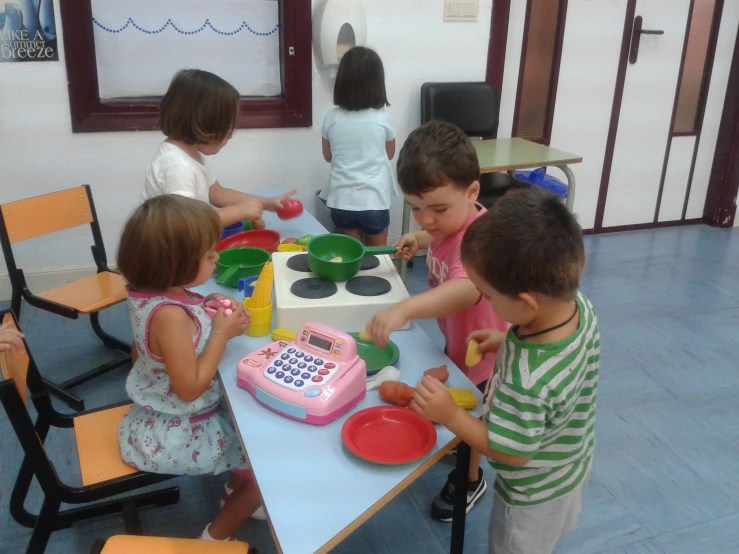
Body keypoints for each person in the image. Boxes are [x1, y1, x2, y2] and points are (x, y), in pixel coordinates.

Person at [411, 187, 599, 554]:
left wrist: (449, 414)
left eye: (490, 297)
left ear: (528, 303)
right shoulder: (577, 306)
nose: (486, 302)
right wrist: (505, 337)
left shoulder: (528, 381)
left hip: (531, 495)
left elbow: (511, 452)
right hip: (571, 461)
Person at [365, 120, 509, 520]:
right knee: (460, 406)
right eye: (415, 209)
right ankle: (463, 447)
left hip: (487, 352)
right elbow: (445, 235)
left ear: (473, 192)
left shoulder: (482, 240)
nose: (426, 219)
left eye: (438, 209)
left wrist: (404, 308)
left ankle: (470, 478)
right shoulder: (449, 223)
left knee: (475, 414)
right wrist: (423, 239)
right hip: (457, 341)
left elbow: (467, 289)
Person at [116, 195, 261, 542]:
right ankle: (214, 538)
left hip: (164, 411)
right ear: (176, 265)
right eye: (210, 256)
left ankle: (231, 490)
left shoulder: (150, 292)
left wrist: (204, 305)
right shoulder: (168, 316)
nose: (218, 258)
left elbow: (143, 354)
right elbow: (189, 388)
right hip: (180, 430)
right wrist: (221, 335)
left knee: (251, 423)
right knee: (270, 471)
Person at [144, 69, 296, 228]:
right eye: (228, 126)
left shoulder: (189, 155)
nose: (230, 135)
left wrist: (268, 204)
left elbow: (218, 194)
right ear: (204, 123)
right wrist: (239, 212)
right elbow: (186, 225)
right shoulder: (178, 167)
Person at [320, 46, 398, 246]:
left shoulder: (331, 118)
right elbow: (388, 154)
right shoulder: (383, 119)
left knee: (351, 257)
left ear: (342, 82)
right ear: (378, 83)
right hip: (375, 201)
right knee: (378, 260)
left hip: (341, 201)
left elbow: (328, 156)